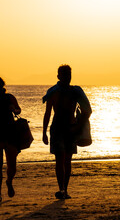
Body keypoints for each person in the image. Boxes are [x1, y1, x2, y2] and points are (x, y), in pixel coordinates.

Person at [42, 65, 92, 199]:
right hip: (57, 128)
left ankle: (65, 189)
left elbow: (87, 110)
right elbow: (47, 113)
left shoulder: (76, 91)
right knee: (60, 159)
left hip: (71, 128)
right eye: (64, 75)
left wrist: (79, 126)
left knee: (67, 160)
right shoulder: (53, 92)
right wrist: (44, 132)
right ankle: (61, 189)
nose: (66, 77)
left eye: (68, 75)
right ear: (58, 76)